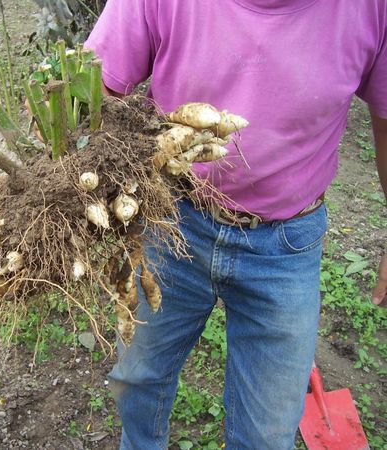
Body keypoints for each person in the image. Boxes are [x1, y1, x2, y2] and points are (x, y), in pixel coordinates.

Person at [84, 1, 387, 449]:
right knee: (138, 380)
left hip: (286, 245)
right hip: (172, 218)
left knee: (267, 435)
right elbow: (95, 89)